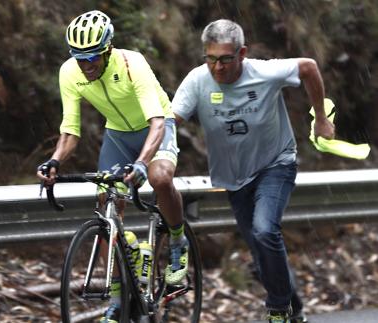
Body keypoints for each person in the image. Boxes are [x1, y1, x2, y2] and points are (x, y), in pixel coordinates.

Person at [172, 19, 335, 323]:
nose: (217, 67)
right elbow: (170, 119)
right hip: (234, 177)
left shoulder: (264, 71)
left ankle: (277, 308)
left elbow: (309, 67)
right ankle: (294, 309)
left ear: (242, 53)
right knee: (262, 254)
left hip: (276, 163)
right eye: (211, 58)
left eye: (225, 59)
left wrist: (321, 118)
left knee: (264, 230)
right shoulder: (197, 80)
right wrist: (154, 152)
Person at [36, 10, 188, 323]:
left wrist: (143, 163)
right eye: (80, 58)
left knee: (160, 178)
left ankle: (177, 240)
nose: (86, 65)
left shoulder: (132, 63)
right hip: (118, 133)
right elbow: (70, 131)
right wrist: (54, 161)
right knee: (107, 209)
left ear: (107, 50)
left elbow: (157, 122)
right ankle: (117, 303)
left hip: (156, 126)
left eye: (92, 57)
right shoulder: (70, 73)